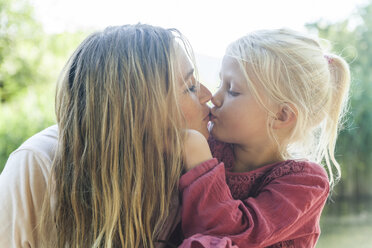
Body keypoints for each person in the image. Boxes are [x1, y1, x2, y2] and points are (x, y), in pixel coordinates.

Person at [0, 24, 212, 248]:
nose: (209, 95)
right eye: (189, 87)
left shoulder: (201, 162)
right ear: (136, 110)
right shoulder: (40, 163)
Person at [178, 29, 350, 247]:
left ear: (281, 116)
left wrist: (198, 159)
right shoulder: (211, 146)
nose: (215, 97)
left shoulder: (305, 184)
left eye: (232, 90)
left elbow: (233, 234)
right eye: (220, 83)